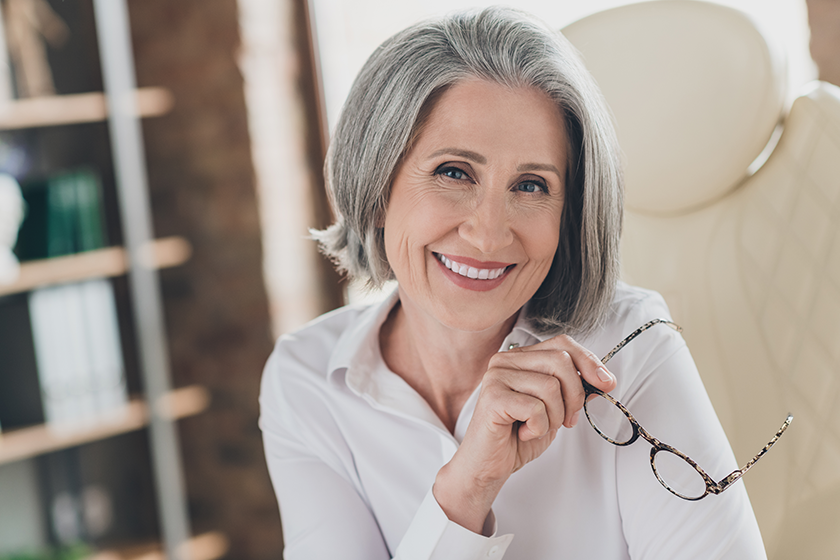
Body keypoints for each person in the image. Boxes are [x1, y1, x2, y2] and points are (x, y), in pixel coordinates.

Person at [259, 7, 767, 559]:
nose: (487, 234)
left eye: (530, 185)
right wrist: (466, 488)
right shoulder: (306, 381)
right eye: (454, 172)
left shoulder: (632, 352)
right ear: (376, 186)